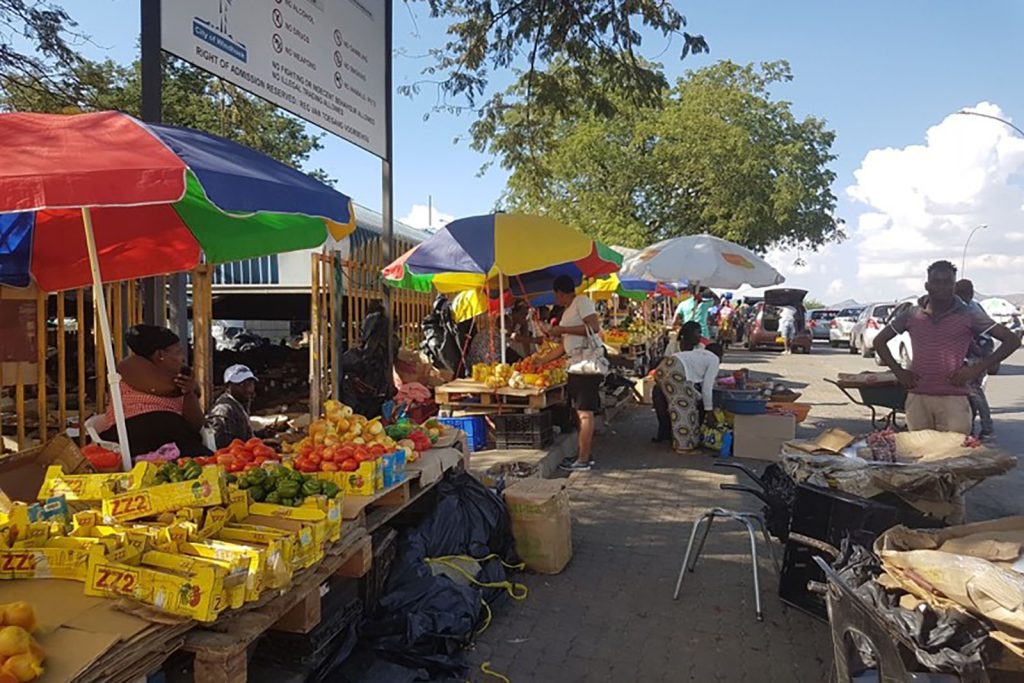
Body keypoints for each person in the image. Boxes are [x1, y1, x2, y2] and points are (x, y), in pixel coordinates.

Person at [873, 261, 1019, 434]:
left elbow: (1011, 340)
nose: (941, 287)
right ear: (927, 285)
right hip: (918, 397)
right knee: (919, 455)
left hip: (954, 399)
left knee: (954, 456)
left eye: (947, 282)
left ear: (953, 286)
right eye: (937, 282)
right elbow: (879, 342)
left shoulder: (969, 315)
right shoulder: (912, 314)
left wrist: (975, 369)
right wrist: (899, 371)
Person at [99, 324, 209, 456]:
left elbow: (196, 425)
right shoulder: (131, 369)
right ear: (160, 354)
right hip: (129, 434)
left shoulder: (180, 380)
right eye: (178, 352)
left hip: (171, 435)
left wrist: (189, 392)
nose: (183, 358)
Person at [547, 275, 603, 472]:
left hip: (586, 365)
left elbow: (594, 327)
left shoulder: (582, 301)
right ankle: (583, 452)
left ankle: (584, 459)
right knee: (579, 412)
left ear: (560, 293)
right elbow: (564, 345)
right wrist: (542, 360)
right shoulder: (568, 311)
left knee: (584, 413)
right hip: (576, 365)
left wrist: (562, 328)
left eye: (556, 295)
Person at [652, 322, 722, 451]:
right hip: (676, 372)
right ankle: (683, 446)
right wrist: (709, 411)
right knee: (684, 406)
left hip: (667, 371)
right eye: (697, 333)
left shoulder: (701, 350)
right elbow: (707, 388)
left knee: (689, 400)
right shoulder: (713, 359)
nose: (699, 336)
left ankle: (686, 437)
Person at [954, 279, 995, 438]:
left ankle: (987, 427)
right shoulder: (977, 306)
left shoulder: (966, 309)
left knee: (974, 393)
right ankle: (970, 427)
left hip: (974, 356)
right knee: (971, 394)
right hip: (981, 353)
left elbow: (969, 335)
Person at [206, 364, 258, 449]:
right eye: (241, 384)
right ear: (227, 386)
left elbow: (242, 434)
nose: (248, 388)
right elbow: (222, 445)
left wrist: (263, 434)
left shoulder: (240, 403)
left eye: (250, 383)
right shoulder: (223, 409)